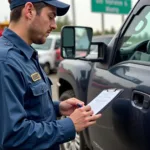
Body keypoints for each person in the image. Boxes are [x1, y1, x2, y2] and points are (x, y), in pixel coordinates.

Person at [0, 0, 101, 149]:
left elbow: (27, 105)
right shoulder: (6, 62)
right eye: (51, 16)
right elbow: (13, 136)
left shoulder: (24, 55)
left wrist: (58, 107)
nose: (54, 25)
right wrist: (70, 125)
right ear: (29, 11)